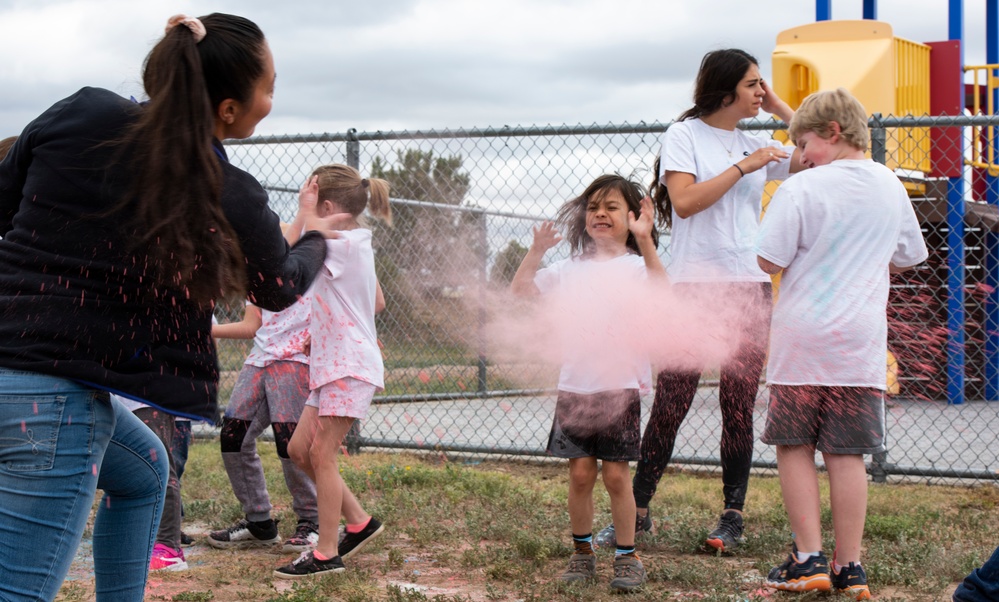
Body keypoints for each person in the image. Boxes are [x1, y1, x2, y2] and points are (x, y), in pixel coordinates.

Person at [0, 13, 341, 600]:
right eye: (270, 88)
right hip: (51, 408)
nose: (271, 102)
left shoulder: (81, 112)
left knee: (144, 470)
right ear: (229, 109)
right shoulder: (221, 185)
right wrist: (314, 235)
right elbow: (279, 287)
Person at [595, 48, 802, 553]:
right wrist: (745, 165)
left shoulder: (760, 137)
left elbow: (818, 146)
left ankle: (732, 516)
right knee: (673, 400)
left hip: (747, 288)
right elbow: (684, 203)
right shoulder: (684, 136)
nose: (761, 91)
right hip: (693, 287)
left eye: (763, 85)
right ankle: (638, 510)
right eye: (754, 84)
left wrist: (779, 107)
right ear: (727, 89)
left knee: (737, 403)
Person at [755, 88, 928, 600]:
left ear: (832, 132)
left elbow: (768, 260)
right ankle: (850, 566)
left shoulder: (801, 189)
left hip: (802, 342)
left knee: (794, 446)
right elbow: (908, 256)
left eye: (804, 144)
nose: (801, 157)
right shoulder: (890, 185)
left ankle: (807, 558)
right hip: (860, 346)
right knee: (847, 455)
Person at [510, 174, 667, 593]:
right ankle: (582, 554)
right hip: (575, 388)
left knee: (616, 477)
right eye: (594, 206)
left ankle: (627, 556)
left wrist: (646, 240)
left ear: (631, 216)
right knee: (580, 474)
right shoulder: (567, 269)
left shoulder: (636, 267)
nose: (600, 213)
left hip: (619, 387)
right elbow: (521, 291)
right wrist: (537, 250)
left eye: (612, 207)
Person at [273, 165, 392, 579]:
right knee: (298, 450)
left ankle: (326, 553)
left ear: (323, 203)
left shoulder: (338, 244)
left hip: (347, 365)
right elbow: (375, 302)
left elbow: (281, 260)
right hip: (334, 361)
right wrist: (325, 328)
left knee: (321, 454)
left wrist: (304, 215)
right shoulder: (352, 243)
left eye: (311, 199)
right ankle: (359, 522)